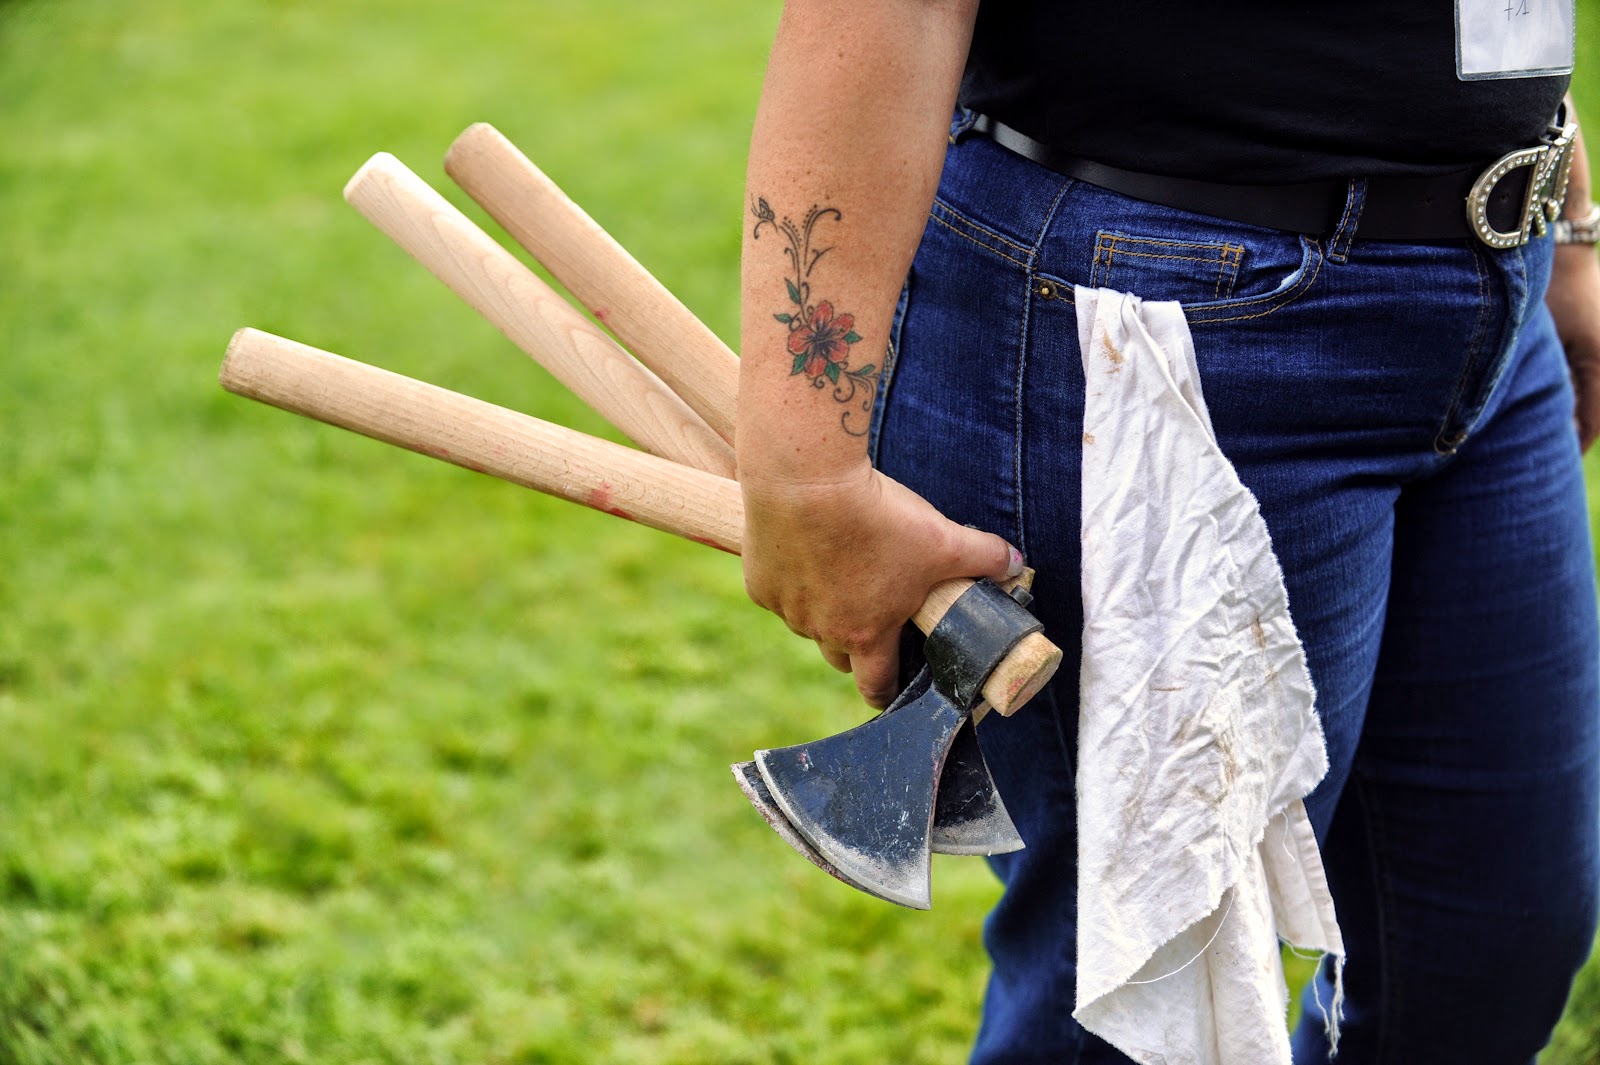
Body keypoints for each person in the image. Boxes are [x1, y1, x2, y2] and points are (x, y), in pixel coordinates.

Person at [737, 2, 1600, 1061]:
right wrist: (807, 474)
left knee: (1483, 950)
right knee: (1143, 1020)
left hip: (1487, 290)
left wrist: (1563, 214)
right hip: (1158, 319)